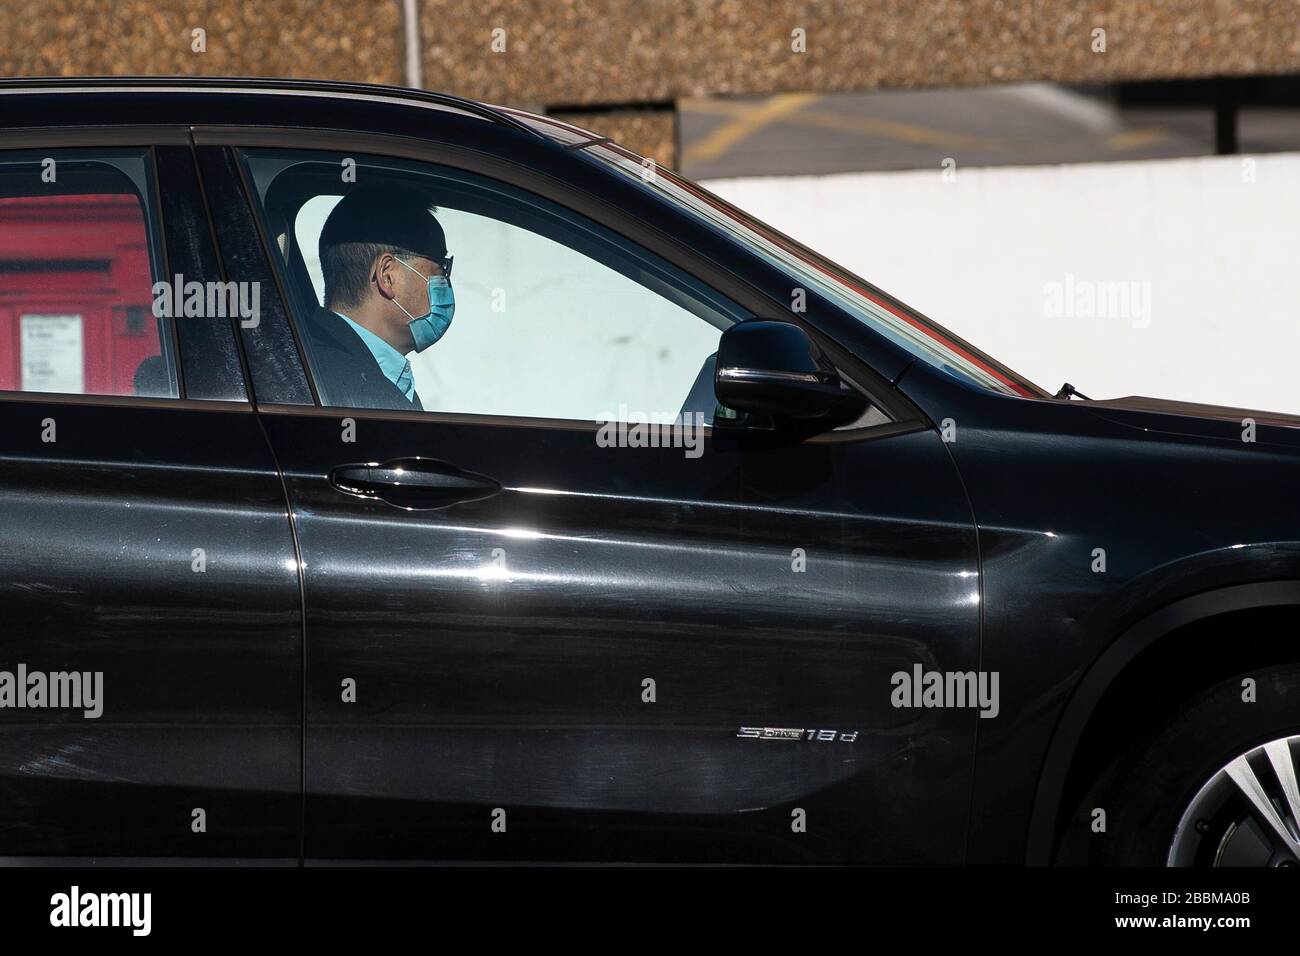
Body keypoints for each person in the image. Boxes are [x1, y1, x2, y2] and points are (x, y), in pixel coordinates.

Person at [304, 183, 455, 410]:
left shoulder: (313, 364)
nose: (445, 282)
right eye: (440, 268)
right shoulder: (335, 387)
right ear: (387, 276)